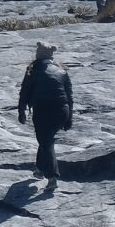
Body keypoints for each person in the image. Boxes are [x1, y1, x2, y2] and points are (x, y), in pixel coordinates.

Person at [17, 41, 73, 192]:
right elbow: (69, 96)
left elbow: (24, 92)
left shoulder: (32, 70)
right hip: (62, 111)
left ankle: (52, 177)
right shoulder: (61, 71)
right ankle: (39, 169)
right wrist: (69, 118)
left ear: (38, 55)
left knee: (46, 142)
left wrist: (21, 111)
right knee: (45, 140)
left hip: (43, 111)